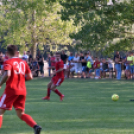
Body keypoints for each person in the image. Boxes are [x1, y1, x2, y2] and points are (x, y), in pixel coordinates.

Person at [0, 45, 41, 134]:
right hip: (22, 91)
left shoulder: (8, 61)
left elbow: (7, 74)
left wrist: (0, 84)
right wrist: (22, 79)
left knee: (0, 112)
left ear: (7, 53)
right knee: (21, 114)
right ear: (17, 52)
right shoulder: (23, 62)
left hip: (11, 89)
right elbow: (30, 77)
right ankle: (35, 126)